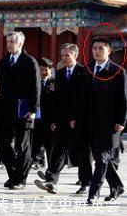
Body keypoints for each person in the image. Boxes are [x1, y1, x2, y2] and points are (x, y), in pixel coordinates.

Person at [34, 44, 92, 194]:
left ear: (75, 55)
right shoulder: (58, 75)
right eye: (62, 55)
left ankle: (86, 182)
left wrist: (76, 117)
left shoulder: (84, 73)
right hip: (61, 120)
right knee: (58, 150)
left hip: (79, 121)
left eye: (67, 55)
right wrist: (53, 120)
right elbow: (54, 99)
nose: (64, 58)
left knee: (82, 152)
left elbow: (84, 100)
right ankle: (52, 181)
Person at [0, 31, 41, 190]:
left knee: (22, 146)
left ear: (21, 43)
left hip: (24, 109)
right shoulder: (3, 62)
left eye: (12, 41)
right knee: (3, 143)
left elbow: (36, 87)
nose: (9, 44)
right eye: (7, 41)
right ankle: (13, 175)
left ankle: (21, 179)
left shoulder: (30, 62)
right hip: (4, 110)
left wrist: (34, 109)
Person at [83, 37, 126, 204]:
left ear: (109, 51)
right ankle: (117, 187)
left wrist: (121, 121)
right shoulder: (87, 70)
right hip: (90, 123)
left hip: (110, 124)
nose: (97, 51)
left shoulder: (118, 71)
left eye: (101, 48)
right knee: (102, 158)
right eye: (94, 48)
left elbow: (123, 100)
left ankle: (93, 194)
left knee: (101, 159)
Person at [31, 57, 55, 169]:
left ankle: (50, 168)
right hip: (37, 118)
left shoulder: (54, 83)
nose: (43, 72)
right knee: (36, 141)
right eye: (41, 70)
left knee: (50, 144)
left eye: (46, 70)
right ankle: (37, 160)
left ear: (50, 70)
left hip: (50, 119)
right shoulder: (35, 82)